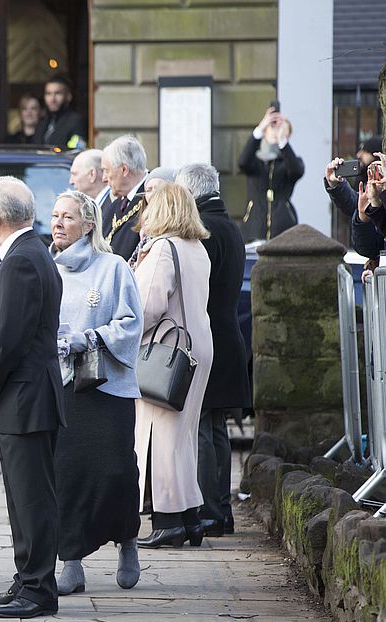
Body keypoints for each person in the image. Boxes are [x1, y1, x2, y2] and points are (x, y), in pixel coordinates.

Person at [0, 176, 65, 619]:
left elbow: (11, 336)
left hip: (26, 396)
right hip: (26, 396)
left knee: (32, 498)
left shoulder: (23, 260)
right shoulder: (30, 252)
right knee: (22, 495)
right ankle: (28, 576)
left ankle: (39, 588)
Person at [49, 190, 143, 595]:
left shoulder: (114, 267)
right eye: (53, 216)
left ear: (88, 225)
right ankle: (70, 560)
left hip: (107, 388)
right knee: (66, 474)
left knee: (116, 471)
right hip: (63, 385)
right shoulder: (46, 268)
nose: (57, 223)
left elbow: (130, 323)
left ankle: (128, 541)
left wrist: (89, 337)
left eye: (66, 217)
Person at [132, 182, 213, 549]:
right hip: (196, 349)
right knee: (183, 439)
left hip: (165, 351)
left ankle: (167, 522)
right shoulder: (196, 247)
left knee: (161, 440)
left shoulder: (163, 249)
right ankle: (190, 518)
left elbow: (147, 307)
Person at [176, 163, 249, 537]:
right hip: (226, 337)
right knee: (214, 428)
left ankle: (209, 510)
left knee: (204, 428)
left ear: (189, 193)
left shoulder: (203, 229)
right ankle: (219, 512)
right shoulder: (228, 225)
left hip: (209, 338)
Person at [238, 106, 305, 242]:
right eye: (272, 127)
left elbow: (296, 171)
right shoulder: (255, 160)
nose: (275, 132)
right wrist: (259, 129)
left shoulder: (291, 161)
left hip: (283, 227)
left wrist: (282, 142)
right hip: (254, 226)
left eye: (281, 128)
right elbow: (242, 162)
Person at [100, 136, 148, 260]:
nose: (104, 178)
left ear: (124, 170)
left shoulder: (152, 201)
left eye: (106, 171)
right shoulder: (117, 204)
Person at [34, 75, 87, 150]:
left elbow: (77, 151)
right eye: (48, 93)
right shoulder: (41, 122)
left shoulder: (75, 121)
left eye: (58, 93)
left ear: (68, 96)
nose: (52, 99)